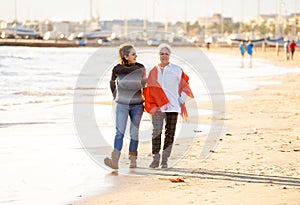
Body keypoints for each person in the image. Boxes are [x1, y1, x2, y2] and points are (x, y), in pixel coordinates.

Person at [144, 43, 194, 169]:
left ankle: (165, 160)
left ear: (170, 55)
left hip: (173, 107)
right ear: (158, 55)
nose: (164, 56)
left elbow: (185, 86)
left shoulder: (176, 69)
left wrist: (180, 100)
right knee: (156, 132)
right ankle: (155, 159)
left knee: (170, 134)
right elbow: (148, 90)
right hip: (157, 108)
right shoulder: (153, 71)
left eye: (166, 54)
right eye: (162, 53)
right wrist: (151, 106)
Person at [104, 44, 147, 169]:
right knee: (119, 133)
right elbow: (112, 82)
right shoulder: (117, 69)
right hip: (122, 105)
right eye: (133, 54)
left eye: (135, 54)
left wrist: (148, 101)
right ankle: (115, 161)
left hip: (137, 106)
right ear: (126, 56)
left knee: (134, 133)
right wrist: (115, 96)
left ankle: (132, 159)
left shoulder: (141, 68)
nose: (136, 56)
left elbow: (145, 85)